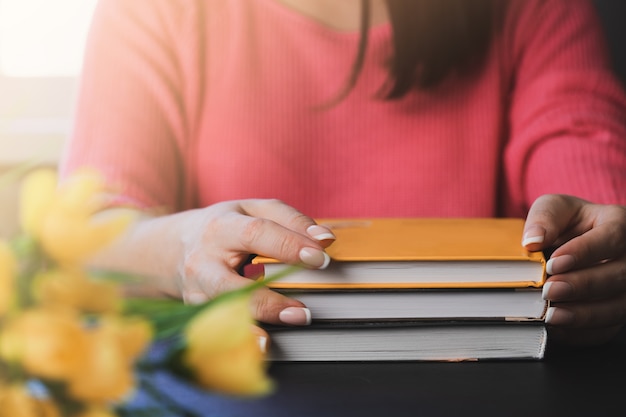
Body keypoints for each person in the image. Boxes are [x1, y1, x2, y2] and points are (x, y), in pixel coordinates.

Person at [60, 0, 626, 347]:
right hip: (235, 380)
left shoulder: (530, 8)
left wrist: (602, 239)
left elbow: (583, 165)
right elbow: (89, 236)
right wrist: (180, 249)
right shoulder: (153, 9)